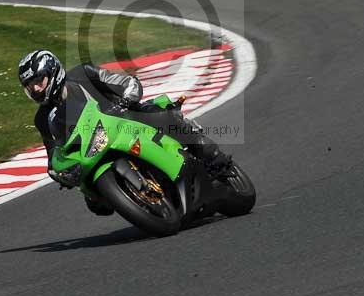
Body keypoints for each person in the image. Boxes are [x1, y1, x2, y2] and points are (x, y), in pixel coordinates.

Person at [18, 49, 232, 215]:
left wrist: (124, 101)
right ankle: (143, 200)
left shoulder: (83, 74)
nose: (36, 89)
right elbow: (53, 156)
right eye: (30, 86)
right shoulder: (43, 119)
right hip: (95, 147)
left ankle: (214, 157)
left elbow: (127, 82)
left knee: (159, 114)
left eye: (39, 81)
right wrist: (62, 175)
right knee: (95, 204)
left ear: (53, 72)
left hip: (125, 119)